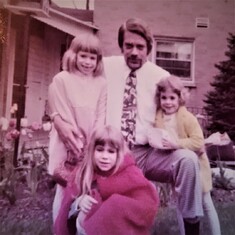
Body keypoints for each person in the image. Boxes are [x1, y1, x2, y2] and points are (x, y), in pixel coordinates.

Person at [53, 18, 203, 235]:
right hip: (112, 153)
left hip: (148, 153)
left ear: (149, 49)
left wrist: (184, 140)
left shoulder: (160, 76)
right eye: (128, 46)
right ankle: (78, 223)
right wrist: (57, 118)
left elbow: (177, 110)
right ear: (121, 46)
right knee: (87, 188)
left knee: (187, 161)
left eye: (140, 47)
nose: (134, 52)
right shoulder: (105, 67)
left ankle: (191, 228)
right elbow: (70, 85)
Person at [48, 33, 106, 233]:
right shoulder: (61, 79)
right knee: (64, 191)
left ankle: (80, 228)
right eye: (83, 56)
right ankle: (60, 229)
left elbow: (101, 115)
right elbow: (63, 114)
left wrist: (92, 144)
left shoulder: (101, 83)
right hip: (67, 146)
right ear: (73, 55)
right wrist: (75, 145)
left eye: (93, 58)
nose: (88, 62)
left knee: (85, 190)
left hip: (90, 146)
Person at [148, 75, 221, 235]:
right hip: (176, 167)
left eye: (172, 98)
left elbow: (198, 142)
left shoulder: (187, 118)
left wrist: (177, 144)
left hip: (197, 167)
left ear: (180, 98)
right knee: (182, 205)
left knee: (206, 203)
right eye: (164, 98)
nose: (168, 102)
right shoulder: (158, 117)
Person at [66, 125, 158, 235]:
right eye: (100, 150)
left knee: (115, 203)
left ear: (119, 154)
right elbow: (68, 207)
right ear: (92, 151)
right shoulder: (85, 173)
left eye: (111, 152)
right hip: (89, 228)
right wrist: (79, 202)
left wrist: (116, 205)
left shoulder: (129, 173)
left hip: (121, 228)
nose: (105, 156)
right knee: (85, 213)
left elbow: (145, 204)